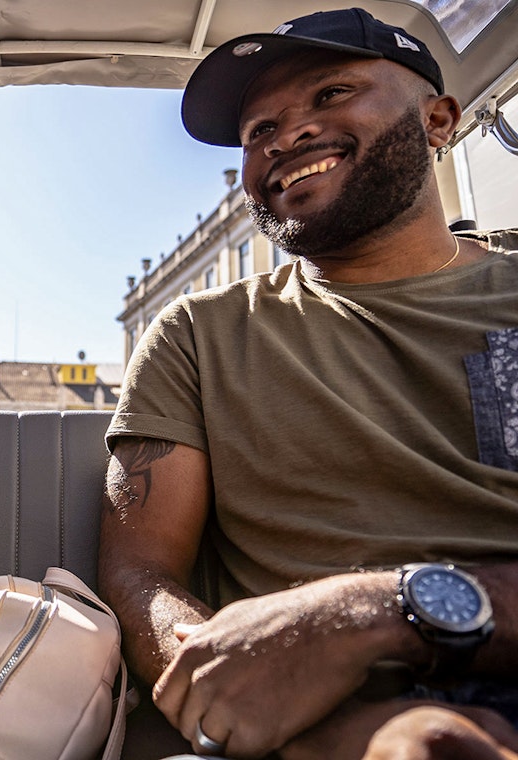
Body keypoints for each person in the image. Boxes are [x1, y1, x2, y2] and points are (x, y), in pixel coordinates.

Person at [98, 8, 518, 759]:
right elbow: (141, 575)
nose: (286, 136)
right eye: (259, 130)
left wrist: (377, 612)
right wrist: (298, 726)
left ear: (439, 119)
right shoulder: (195, 334)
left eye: (331, 94)